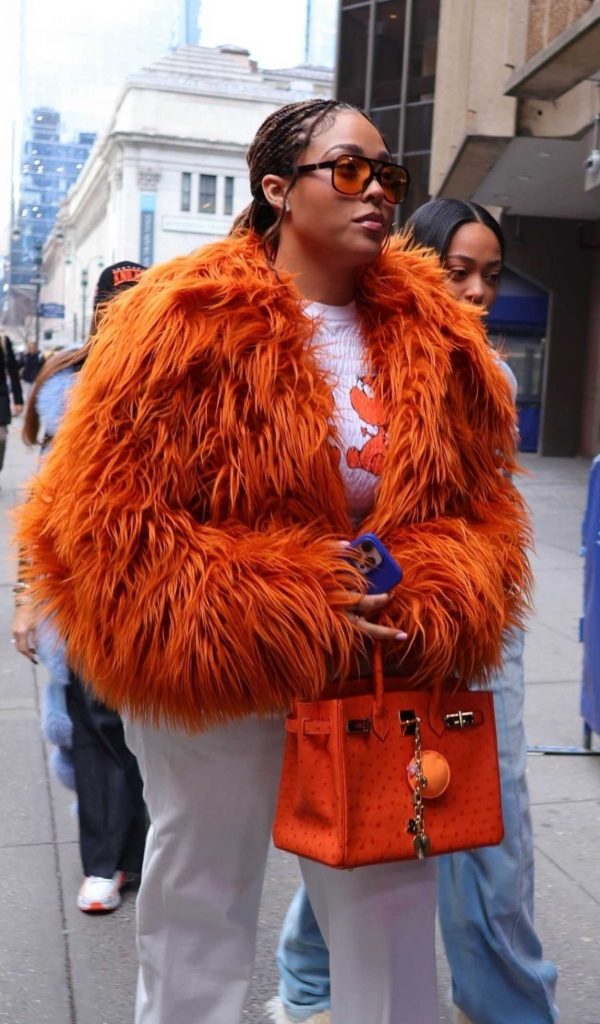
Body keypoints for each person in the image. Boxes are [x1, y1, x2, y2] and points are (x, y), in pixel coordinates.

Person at [16, 101, 530, 1024]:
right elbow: (105, 520)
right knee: (199, 907)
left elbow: (483, 508)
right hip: (220, 674)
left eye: (387, 176)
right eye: (347, 169)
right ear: (275, 188)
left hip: (377, 668)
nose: (375, 191)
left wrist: (428, 591)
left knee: (390, 922)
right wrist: (293, 598)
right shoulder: (178, 321)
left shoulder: (437, 338)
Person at [268, 199, 558, 1024]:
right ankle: (310, 984)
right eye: (457, 269)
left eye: (492, 276)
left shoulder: (484, 372)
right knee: (373, 807)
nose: (477, 292)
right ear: (411, 261)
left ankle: (507, 1005)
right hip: (371, 621)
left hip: (467, 621)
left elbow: (485, 509)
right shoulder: (354, 351)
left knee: (485, 824)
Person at [12, 261, 148, 914]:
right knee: (96, 723)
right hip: (87, 589)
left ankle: (132, 852)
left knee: (140, 730)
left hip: (159, 587)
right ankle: (105, 863)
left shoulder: (178, 383)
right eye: (113, 307)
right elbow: (41, 509)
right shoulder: (69, 390)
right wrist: (27, 603)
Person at [0, 333, 24, 486]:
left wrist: (18, 400)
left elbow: (13, 371)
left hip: (0, 397)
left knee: (1, 439)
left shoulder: (3, 340)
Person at [20, 339, 45, 404]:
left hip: (35, 380)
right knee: (28, 397)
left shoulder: (40, 356)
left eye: (32, 348)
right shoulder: (25, 356)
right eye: (30, 348)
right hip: (26, 379)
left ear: (35, 348)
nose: (31, 349)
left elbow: (43, 367)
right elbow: (20, 365)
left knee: (35, 397)